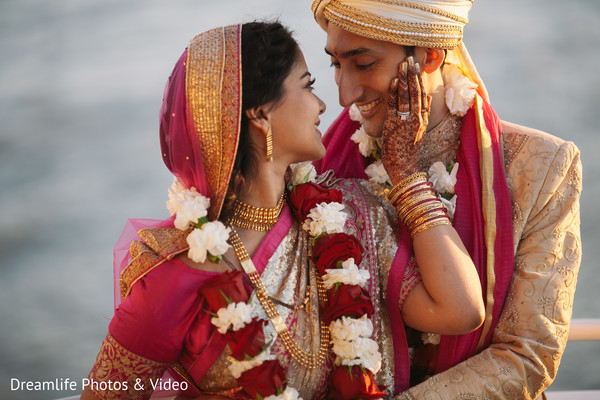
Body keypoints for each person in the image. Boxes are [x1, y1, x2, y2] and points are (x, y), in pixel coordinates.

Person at [81, 21, 484, 400]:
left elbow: (460, 311)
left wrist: (406, 174)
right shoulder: (174, 276)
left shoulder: (351, 215)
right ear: (260, 114)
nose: (328, 103)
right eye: (308, 86)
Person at [310, 0, 582, 399]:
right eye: (335, 64)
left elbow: (528, 356)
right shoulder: (314, 164)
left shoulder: (540, 165)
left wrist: (405, 176)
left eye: (364, 63)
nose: (345, 95)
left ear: (431, 56)